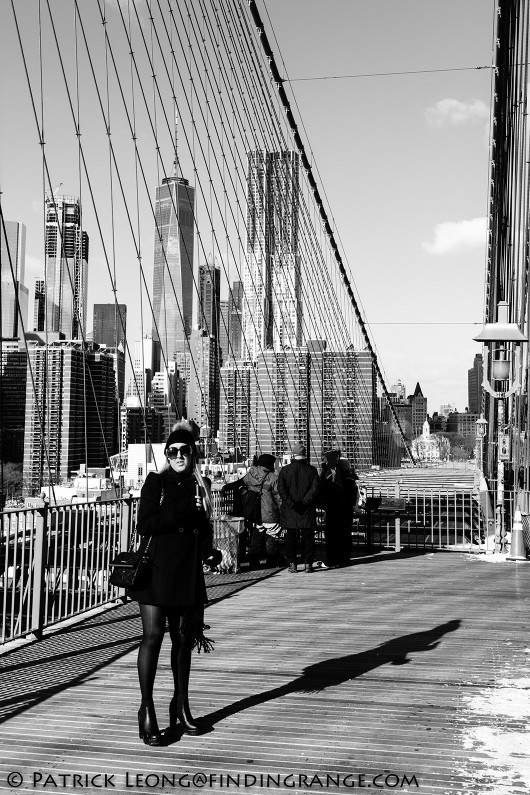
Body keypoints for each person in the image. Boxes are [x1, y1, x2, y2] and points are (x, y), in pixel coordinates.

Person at [128, 421, 221, 746]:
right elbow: (144, 525)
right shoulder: (157, 482)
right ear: (167, 454)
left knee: (183, 639)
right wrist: (180, 515)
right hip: (156, 571)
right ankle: (147, 708)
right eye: (173, 451)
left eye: (185, 450)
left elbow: (203, 527)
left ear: (193, 453)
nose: (180, 455)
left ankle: (181, 706)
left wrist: (209, 551)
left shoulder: (201, 486)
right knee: (153, 636)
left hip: (186, 573)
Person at [277, 442, 320, 573]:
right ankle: (308, 564)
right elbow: (315, 490)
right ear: (305, 455)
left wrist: (291, 503)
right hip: (306, 510)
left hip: (291, 510)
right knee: (308, 538)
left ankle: (292, 564)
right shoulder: (312, 470)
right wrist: (304, 502)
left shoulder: (285, 470)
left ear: (293, 455)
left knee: (290, 539)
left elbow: (281, 489)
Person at [243, 453, 282, 569]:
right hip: (270, 513)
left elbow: (242, 484)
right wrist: (282, 512)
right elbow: (278, 498)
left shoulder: (250, 475)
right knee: (272, 536)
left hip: (255, 513)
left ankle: (253, 562)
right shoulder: (273, 478)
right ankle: (271, 562)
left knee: (257, 537)